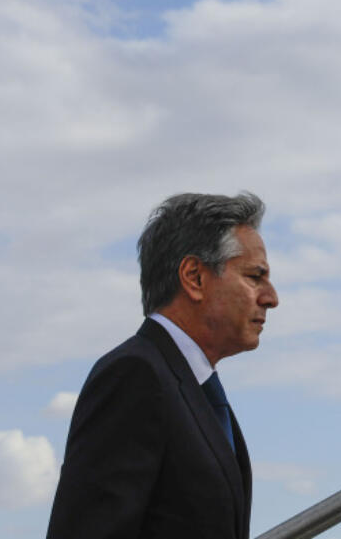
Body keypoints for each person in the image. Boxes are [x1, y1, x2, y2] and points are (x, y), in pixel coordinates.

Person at [46, 192, 278, 539]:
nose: (271, 297)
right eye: (254, 276)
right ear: (194, 277)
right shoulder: (135, 376)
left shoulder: (192, 388)